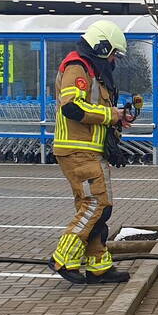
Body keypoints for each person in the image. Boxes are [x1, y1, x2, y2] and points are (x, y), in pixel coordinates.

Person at [48, 20, 132, 285]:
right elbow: (71, 107)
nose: (114, 60)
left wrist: (117, 121)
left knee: (95, 209)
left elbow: (96, 112)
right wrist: (111, 114)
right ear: (101, 47)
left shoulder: (94, 72)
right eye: (113, 54)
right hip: (77, 150)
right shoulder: (78, 67)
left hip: (89, 150)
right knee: (97, 205)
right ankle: (63, 257)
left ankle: (99, 266)